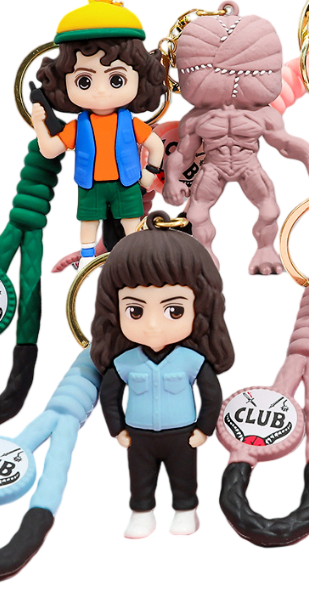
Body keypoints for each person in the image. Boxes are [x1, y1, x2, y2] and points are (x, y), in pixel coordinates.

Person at [90, 213, 233, 537]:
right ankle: (142, 512)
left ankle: (186, 510)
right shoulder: (125, 362)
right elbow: (109, 397)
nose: (153, 325)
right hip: (138, 435)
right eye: (135, 311)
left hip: (183, 434)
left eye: (174, 310)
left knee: (184, 476)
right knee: (140, 477)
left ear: (200, 306)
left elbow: (212, 396)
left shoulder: (191, 360)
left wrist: (204, 429)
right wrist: (117, 428)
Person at [31, 0, 167, 266]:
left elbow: (156, 146)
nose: (101, 91)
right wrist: (39, 123)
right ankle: (86, 259)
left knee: (131, 221)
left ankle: (134, 259)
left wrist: (150, 174)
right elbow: (49, 150)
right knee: (89, 222)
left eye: (116, 80)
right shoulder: (78, 126)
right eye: (84, 81)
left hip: (126, 182)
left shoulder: (130, 122)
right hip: (90, 184)